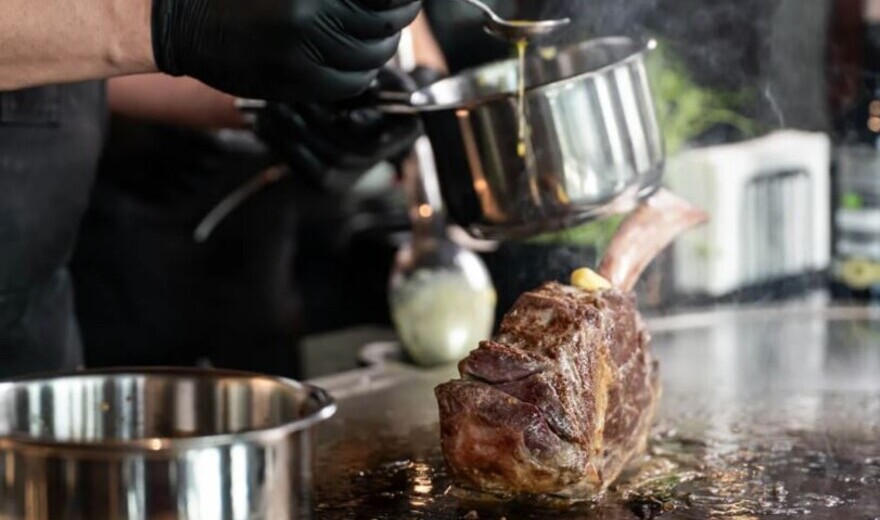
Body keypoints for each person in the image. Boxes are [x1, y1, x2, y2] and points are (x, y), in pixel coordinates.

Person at [0, 0, 422, 378]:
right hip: (127, 227)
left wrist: (270, 101)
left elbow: (83, 60)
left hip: (34, 309)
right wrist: (169, 20)